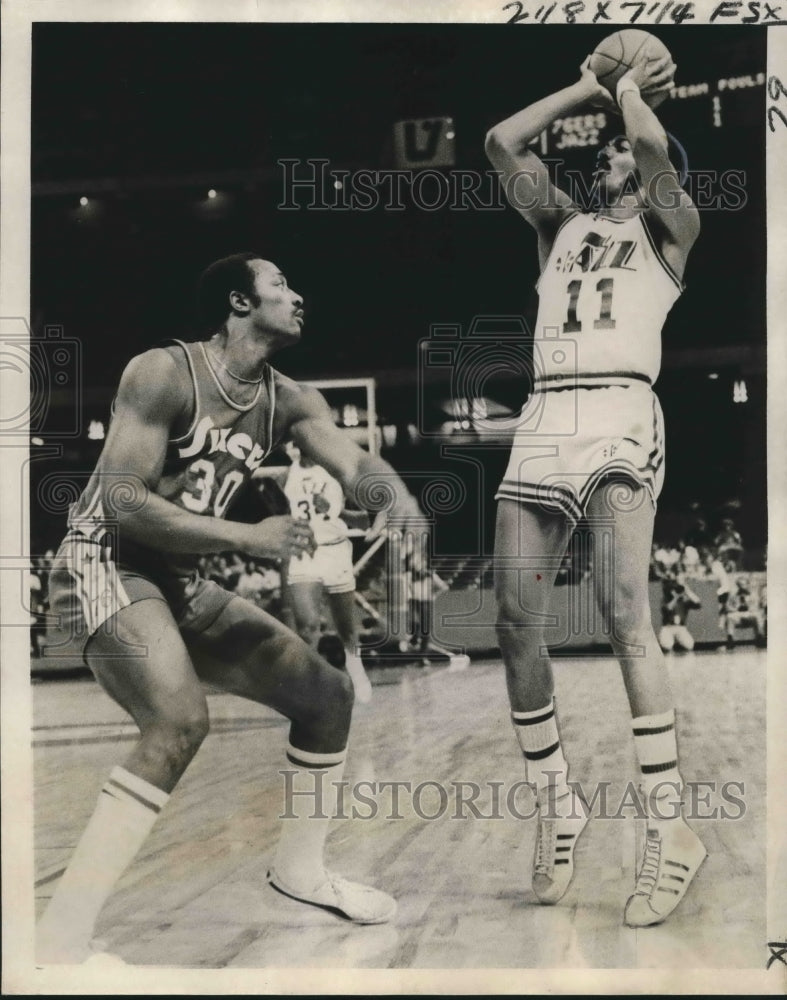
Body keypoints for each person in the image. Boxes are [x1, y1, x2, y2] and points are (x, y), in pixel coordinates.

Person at [38, 252, 424, 963]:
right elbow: (123, 504)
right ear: (238, 304)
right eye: (281, 285)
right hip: (103, 559)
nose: (298, 295)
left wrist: (393, 494)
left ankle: (301, 870)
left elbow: (352, 462)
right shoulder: (162, 372)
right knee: (179, 721)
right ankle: (60, 940)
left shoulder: (290, 398)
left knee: (326, 697)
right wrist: (250, 535)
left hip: (179, 578)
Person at [485, 52, 706, 927]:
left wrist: (630, 86)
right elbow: (502, 142)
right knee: (510, 618)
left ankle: (670, 828)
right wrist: (587, 78)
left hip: (619, 411)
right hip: (547, 415)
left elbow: (653, 148)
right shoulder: (561, 226)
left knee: (622, 611)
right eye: (607, 148)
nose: (608, 153)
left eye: (615, 149)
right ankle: (555, 800)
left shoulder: (671, 225)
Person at [279, 439, 374, 703]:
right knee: (307, 627)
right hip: (304, 552)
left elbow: (361, 518)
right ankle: (308, 687)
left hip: (335, 551)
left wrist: (335, 510)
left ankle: (356, 670)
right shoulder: (287, 474)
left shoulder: (336, 472)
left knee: (346, 630)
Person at [658, 571, 701, 653]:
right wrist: (675, 598)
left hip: (680, 627)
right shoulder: (665, 599)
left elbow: (698, 603)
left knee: (689, 645)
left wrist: (686, 590)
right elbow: (668, 608)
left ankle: (679, 646)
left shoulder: (684, 602)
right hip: (668, 627)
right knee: (667, 645)